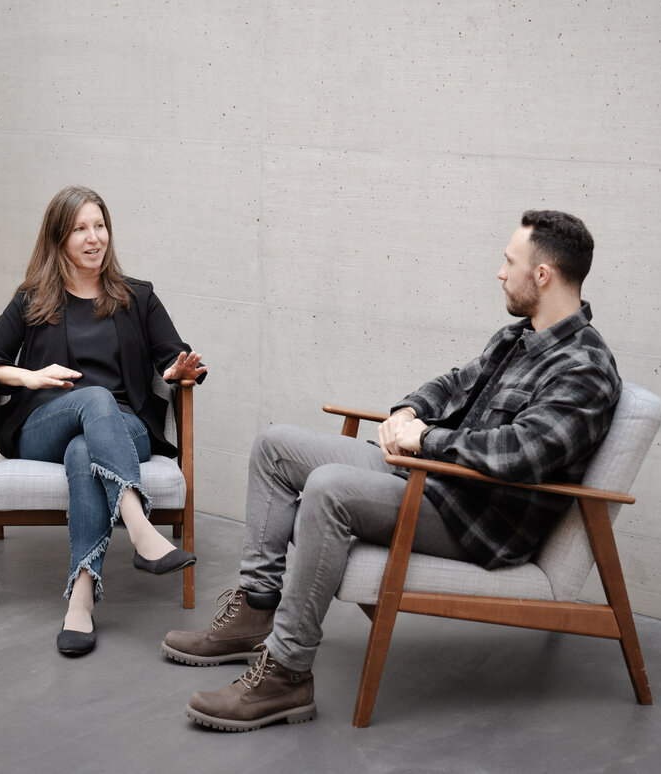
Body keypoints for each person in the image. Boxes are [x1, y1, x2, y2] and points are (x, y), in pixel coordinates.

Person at [162, 209, 620, 730]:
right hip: (434, 480)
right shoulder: (519, 336)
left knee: (329, 488)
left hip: (475, 516)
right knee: (275, 447)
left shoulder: (584, 368)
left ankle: (286, 676)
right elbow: (452, 383)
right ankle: (255, 611)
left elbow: (519, 453)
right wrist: (408, 411)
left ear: (543, 275)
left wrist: (424, 439)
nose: (500, 272)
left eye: (509, 261)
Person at [0, 186, 206, 657]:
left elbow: (171, 357)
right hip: (45, 423)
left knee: (86, 447)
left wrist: (177, 371)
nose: (93, 238)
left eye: (99, 226)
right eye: (80, 228)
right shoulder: (33, 299)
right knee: (90, 400)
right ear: (59, 238)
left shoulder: (139, 297)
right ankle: (138, 526)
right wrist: (31, 376)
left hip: (125, 428)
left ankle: (80, 598)